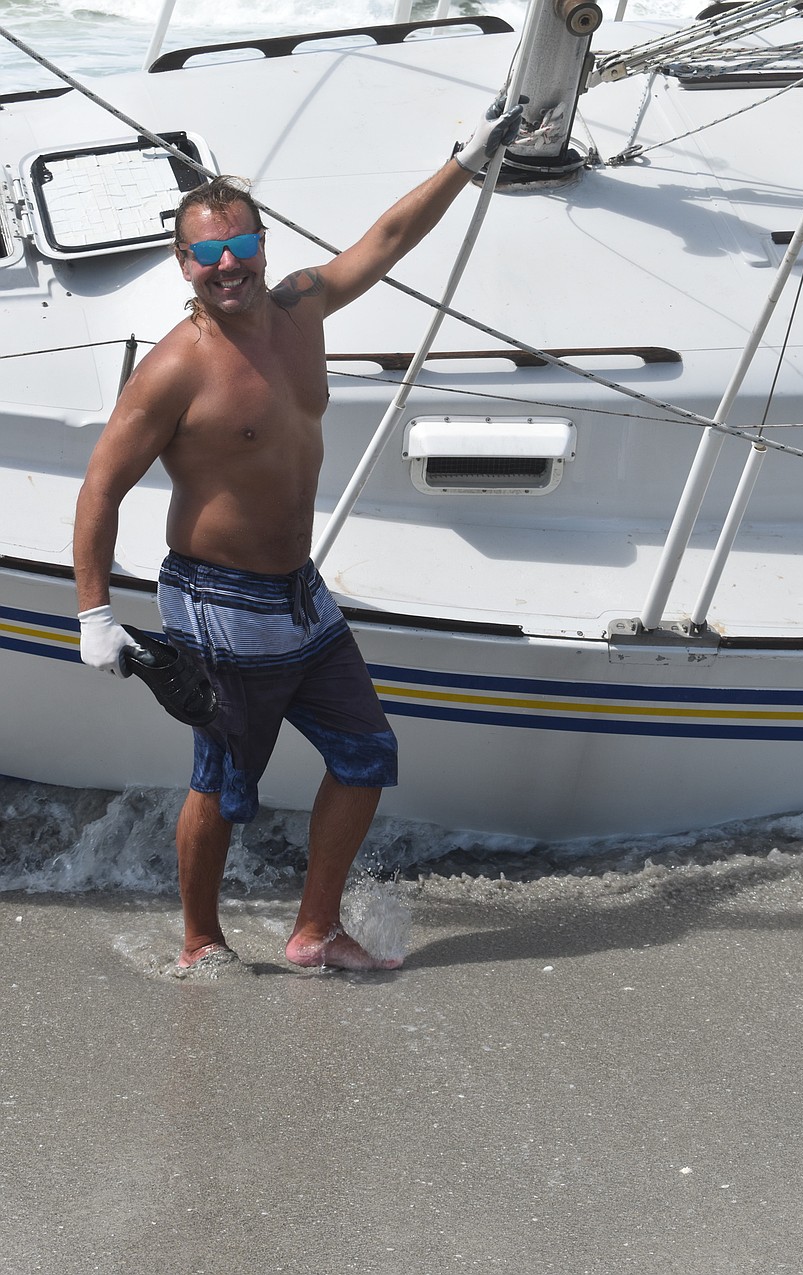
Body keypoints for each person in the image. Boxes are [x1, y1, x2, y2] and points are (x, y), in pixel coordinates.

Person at [72, 96, 522, 973]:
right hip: (217, 599)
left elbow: (387, 239)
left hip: (300, 593)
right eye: (208, 253)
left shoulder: (302, 309)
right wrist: (94, 612)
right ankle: (201, 942)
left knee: (366, 753)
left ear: (263, 247)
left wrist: (465, 162)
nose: (227, 265)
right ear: (183, 263)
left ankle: (314, 930)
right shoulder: (175, 368)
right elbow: (100, 488)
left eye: (241, 245)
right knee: (223, 782)